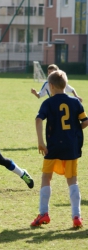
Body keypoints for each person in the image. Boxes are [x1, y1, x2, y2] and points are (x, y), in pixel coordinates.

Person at [31, 70, 88, 228]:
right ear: (65, 85)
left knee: (46, 178)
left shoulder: (48, 103)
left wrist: (41, 142)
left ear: (50, 86)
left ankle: (43, 213)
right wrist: (75, 130)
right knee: (72, 180)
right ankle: (76, 216)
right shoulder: (75, 102)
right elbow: (85, 121)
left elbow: (38, 119)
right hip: (71, 146)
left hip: (54, 146)